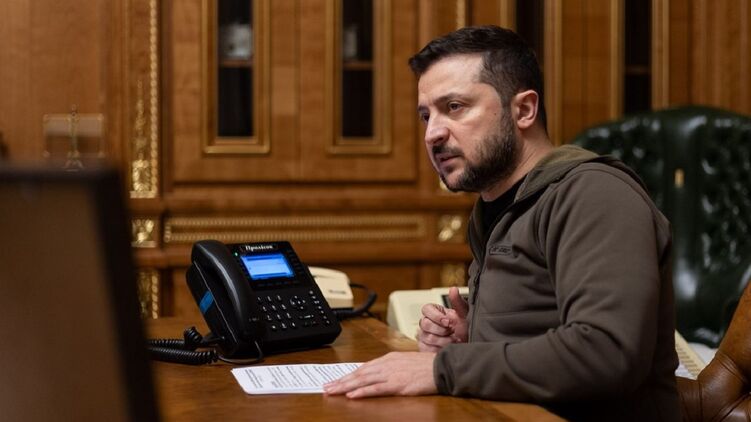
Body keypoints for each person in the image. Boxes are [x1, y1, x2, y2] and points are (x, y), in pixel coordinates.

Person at [323, 25, 680, 421]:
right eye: (426, 115)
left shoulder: (594, 194)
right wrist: (472, 340)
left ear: (523, 110)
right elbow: (539, 330)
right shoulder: (494, 207)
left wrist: (445, 368)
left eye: (454, 107)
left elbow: (606, 352)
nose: (432, 133)